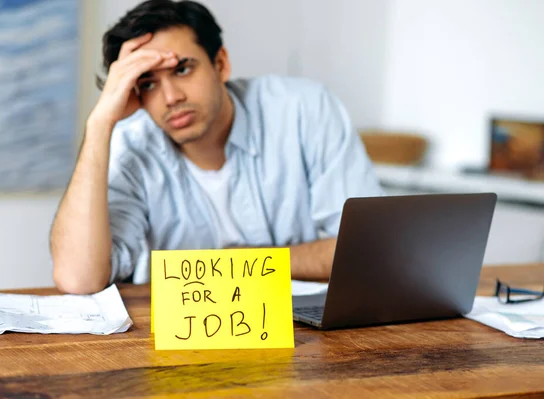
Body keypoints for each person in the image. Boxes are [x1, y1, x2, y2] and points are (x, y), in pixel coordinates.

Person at [49, 0, 383, 294]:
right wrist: (99, 124)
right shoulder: (132, 143)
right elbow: (78, 279)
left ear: (220, 64)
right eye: (147, 83)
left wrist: (242, 262)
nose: (170, 97)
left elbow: (369, 250)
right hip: (180, 350)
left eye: (182, 69)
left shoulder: (304, 110)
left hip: (312, 338)